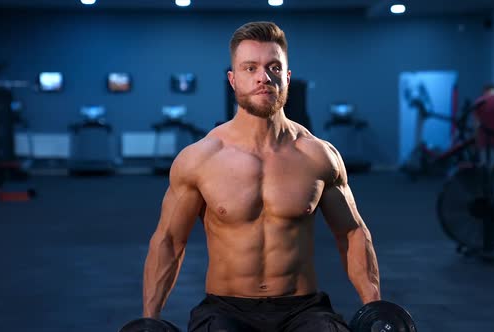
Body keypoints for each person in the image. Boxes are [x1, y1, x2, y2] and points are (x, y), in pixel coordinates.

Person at [143, 21, 381, 332]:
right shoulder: (200, 158)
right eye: (250, 68)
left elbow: (352, 233)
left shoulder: (319, 156)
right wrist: (149, 319)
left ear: (287, 76)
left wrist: (375, 308)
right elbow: (170, 241)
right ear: (233, 79)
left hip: (303, 307)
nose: (263, 77)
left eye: (273, 67)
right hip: (225, 307)